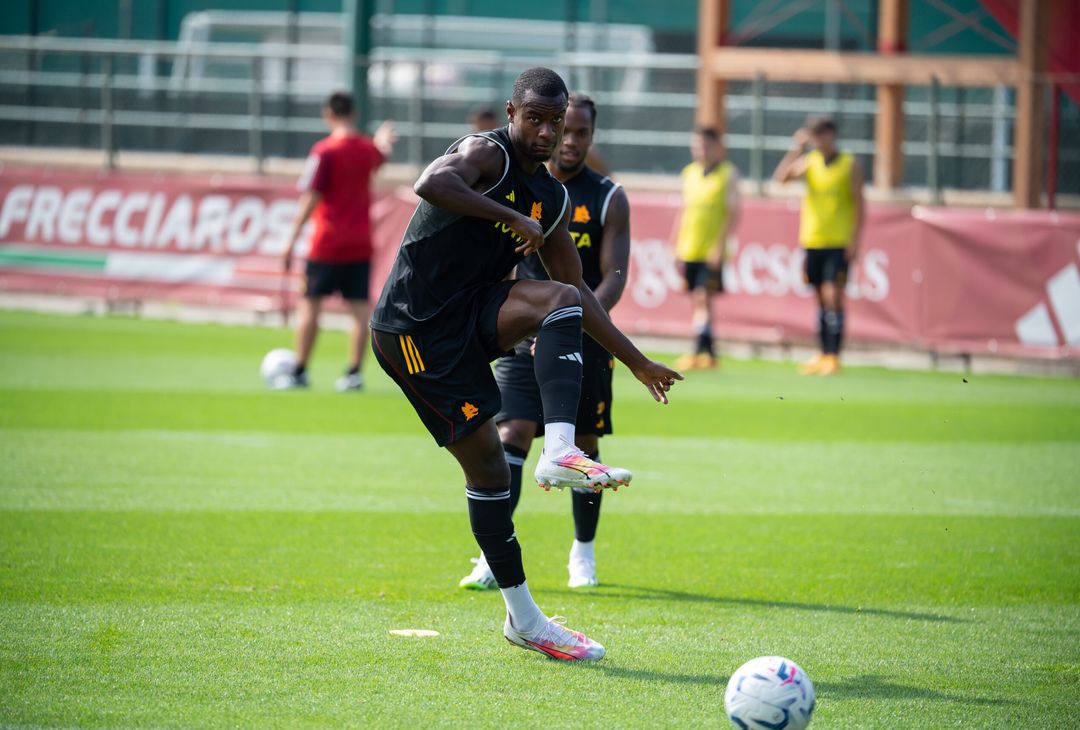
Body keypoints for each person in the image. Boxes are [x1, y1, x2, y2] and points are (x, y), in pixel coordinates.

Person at [370, 68, 681, 661]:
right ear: (511, 114)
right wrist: (508, 217)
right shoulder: (484, 153)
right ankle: (526, 618)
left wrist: (636, 361)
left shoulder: (554, 196)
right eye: (534, 119)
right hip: (414, 332)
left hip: (469, 317)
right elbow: (429, 182)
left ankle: (560, 447)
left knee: (561, 299)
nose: (545, 132)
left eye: (554, 121)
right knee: (488, 473)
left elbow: (578, 290)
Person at [458, 95, 630, 592]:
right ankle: (494, 556)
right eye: (565, 130)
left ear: (591, 137)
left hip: (584, 334)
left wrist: (572, 324)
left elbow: (614, 276)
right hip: (522, 333)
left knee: (585, 446)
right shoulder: (524, 185)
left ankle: (583, 551)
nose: (570, 140)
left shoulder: (608, 196)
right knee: (509, 435)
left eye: (581, 133)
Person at [280, 92, 397, 390]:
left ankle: (300, 370)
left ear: (328, 114)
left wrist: (291, 239)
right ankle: (353, 373)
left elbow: (312, 195)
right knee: (359, 310)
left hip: (326, 242)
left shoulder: (324, 150)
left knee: (310, 305)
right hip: (360, 241)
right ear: (354, 114)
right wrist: (383, 139)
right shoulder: (365, 148)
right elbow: (379, 157)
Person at [773, 115, 864, 376]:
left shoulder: (849, 164)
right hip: (813, 240)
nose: (819, 140)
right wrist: (796, 149)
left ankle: (834, 354)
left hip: (838, 241)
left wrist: (855, 239)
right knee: (819, 298)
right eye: (815, 135)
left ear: (832, 135)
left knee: (832, 295)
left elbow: (859, 203)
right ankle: (823, 353)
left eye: (822, 134)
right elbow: (781, 179)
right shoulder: (810, 162)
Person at [673, 128, 740, 371]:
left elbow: (732, 213)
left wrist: (719, 247)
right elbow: (683, 211)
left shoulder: (727, 174)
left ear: (717, 147)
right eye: (697, 146)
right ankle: (707, 352)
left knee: (703, 298)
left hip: (711, 250)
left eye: (704, 146)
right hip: (689, 247)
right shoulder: (689, 173)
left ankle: (701, 351)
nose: (700, 150)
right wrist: (675, 244)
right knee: (697, 300)